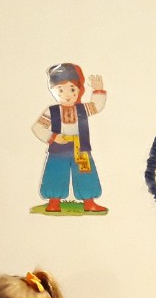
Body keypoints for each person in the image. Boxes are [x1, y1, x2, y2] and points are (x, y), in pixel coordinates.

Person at [32, 63, 108, 213]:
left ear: (79, 90)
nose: (67, 95)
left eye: (72, 89)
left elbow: (97, 106)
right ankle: (54, 201)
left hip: (80, 147)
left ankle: (89, 202)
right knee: (56, 171)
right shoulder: (51, 111)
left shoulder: (83, 109)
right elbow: (37, 127)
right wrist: (53, 137)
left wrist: (98, 90)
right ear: (53, 91)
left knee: (85, 172)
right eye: (61, 90)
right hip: (58, 148)